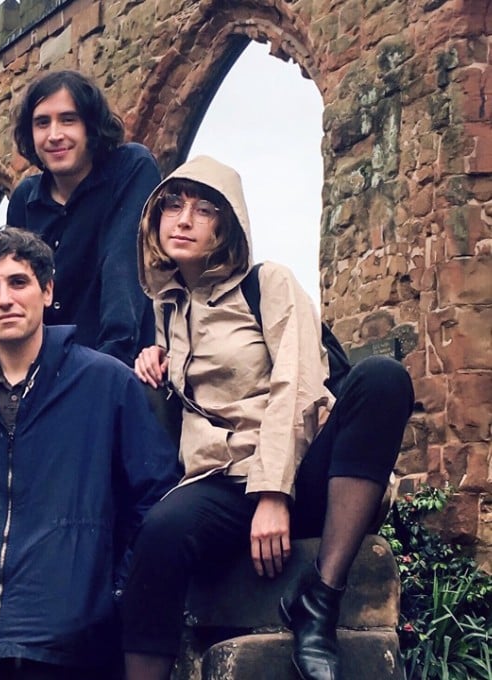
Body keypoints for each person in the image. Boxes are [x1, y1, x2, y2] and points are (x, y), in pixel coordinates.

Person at [118, 156, 414, 680]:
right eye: (173, 205)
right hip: (221, 480)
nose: (183, 220)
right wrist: (154, 358)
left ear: (227, 225)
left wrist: (273, 493)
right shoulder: (166, 309)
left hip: (300, 473)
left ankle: (320, 602)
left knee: (383, 378)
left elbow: (296, 385)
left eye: (203, 210)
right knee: (159, 534)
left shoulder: (267, 282)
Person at [0, 228, 180, 679]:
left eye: (19, 282)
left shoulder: (106, 384)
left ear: (47, 291)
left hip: (66, 645)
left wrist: (110, 596)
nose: (5, 299)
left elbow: (153, 499)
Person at [0, 70, 161, 396]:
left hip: (117, 370)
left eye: (68, 120)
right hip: (44, 378)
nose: (54, 135)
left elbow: (122, 268)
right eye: (42, 123)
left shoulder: (130, 167)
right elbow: (5, 290)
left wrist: (109, 370)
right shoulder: (26, 198)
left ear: (90, 125)